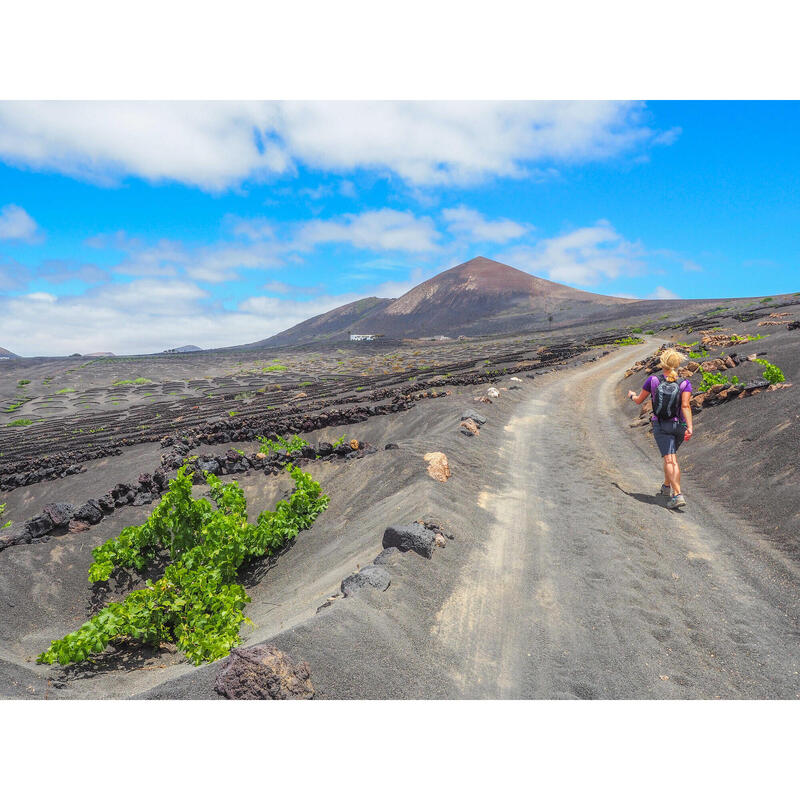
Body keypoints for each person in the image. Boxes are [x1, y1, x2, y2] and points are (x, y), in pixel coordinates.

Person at [627, 348, 693, 509]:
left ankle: (677, 495)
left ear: (662, 363)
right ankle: (666, 486)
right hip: (679, 426)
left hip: (661, 425)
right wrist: (689, 427)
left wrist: (631, 395)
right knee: (670, 456)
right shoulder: (684, 383)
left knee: (670, 459)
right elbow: (685, 405)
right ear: (677, 364)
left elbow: (638, 401)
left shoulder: (653, 381)